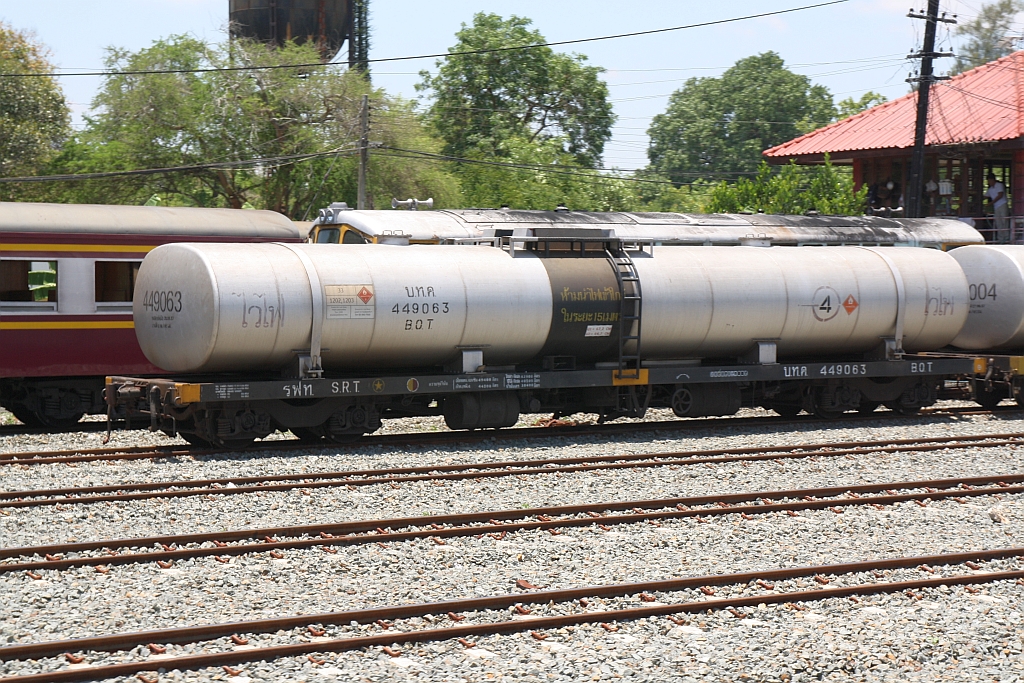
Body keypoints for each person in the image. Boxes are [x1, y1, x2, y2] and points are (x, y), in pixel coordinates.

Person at [986, 173, 1009, 243]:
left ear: (992, 180)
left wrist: (991, 203)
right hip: (996, 206)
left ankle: (1007, 238)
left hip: (1002, 204)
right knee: (998, 222)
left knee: (1004, 221)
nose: (989, 182)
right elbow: (985, 196)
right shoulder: (990, 189)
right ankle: (1001, 239)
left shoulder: (999, 185)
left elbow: (1000, 195)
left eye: (989, 181)